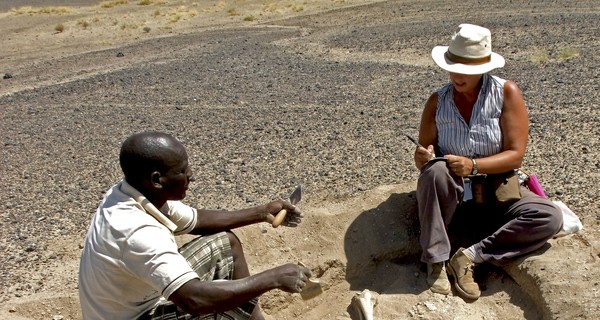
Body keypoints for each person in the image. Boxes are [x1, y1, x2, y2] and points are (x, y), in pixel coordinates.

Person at [78, 131, 311, 320]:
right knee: (218, 301)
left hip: (137, 300)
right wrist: (274, 278)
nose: (191, 175)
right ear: (157, 180)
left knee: (225, 244)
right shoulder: (137, 231)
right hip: (138, 315)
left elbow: (198, 220)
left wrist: (261, 212)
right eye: (181, 170)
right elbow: (194, 300)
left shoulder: (135, 192)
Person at [414, 24, 563, 300]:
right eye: (453, 66)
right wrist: (423, 157)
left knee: (549, 217)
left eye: (467, 69)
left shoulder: (506, 93)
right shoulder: (437, 101)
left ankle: (470, 256)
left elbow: (516, 154)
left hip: (497, 194)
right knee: (434, 171)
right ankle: (435, 260)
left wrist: (474, 165)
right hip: (454, 199)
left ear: (483, 67)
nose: (457, 75)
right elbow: (423, 154)